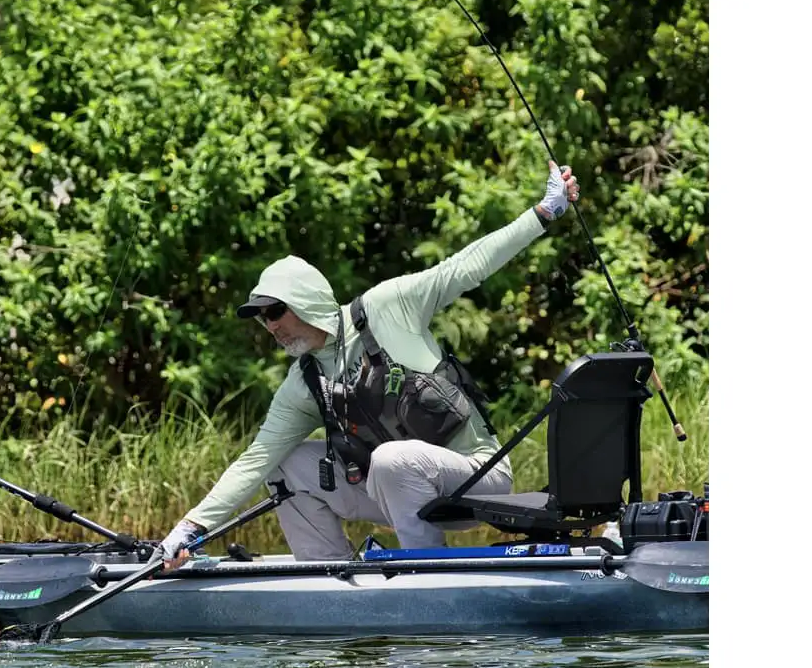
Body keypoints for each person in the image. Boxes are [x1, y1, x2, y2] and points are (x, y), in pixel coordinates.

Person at [159, 161, 581, 568]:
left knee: (392, 459)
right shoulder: (303, 382)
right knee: (285, 466)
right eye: (262, 319)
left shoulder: (388, 305)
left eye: (273, 312)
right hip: (391, 489)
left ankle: (425, 575)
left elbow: (467, 266)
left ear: (302, 303)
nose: (269, 327)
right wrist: (189, 527)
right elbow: (254, 460)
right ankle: (329, 585)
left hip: (475, 478)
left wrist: (545, 212)